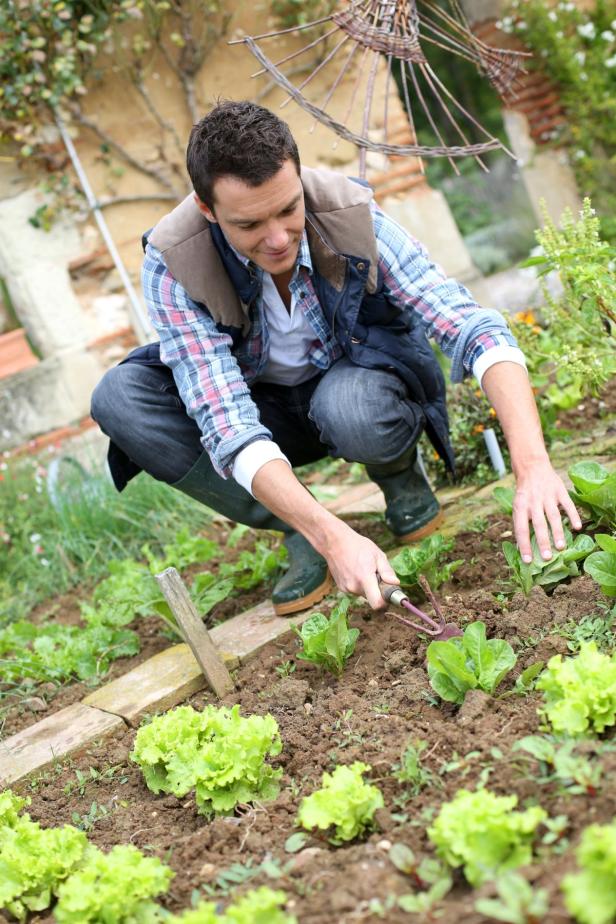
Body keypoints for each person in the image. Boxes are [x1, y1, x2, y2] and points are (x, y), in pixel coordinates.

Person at [91, 99, 581, 616]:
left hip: (355, 390)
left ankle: (397, 475)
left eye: (288, 208)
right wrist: (330, 535)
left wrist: (533, 465)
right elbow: (227, 422)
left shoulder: (350, 214)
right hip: (263, 411)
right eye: (251, 224)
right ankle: (301, 527)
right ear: (208, 209)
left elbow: (470, 327)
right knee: (119, 397)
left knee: (350, 405)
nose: (277, 238)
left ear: (299, 177)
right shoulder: (173, 262)